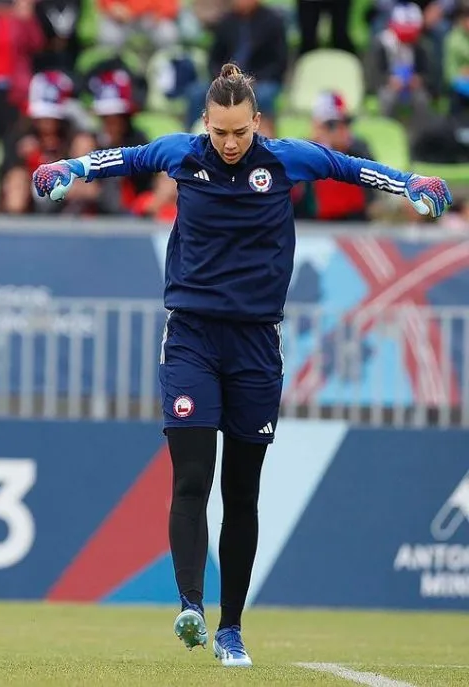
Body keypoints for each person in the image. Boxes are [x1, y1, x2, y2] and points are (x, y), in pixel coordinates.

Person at [31, 63, 452, 668]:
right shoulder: (183, 153)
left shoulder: (285, 160)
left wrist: (409, 182)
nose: (230, 144)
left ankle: (232, 631)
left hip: (256, 345)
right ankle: (190, 608)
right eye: (220, 132)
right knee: (191, 477)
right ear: (207, 122)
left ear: (257, 122)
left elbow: (349, 168)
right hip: (192, 340)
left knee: (242, 492)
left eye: (240, 132)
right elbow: (122, 159)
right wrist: (68, 167)